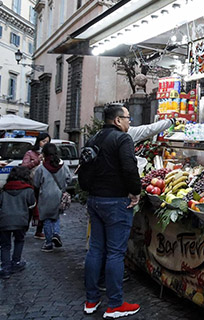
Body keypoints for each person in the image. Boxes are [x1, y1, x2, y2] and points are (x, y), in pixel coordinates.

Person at [78, 105, 141, 318]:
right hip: (116, 202)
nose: (129, 122)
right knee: (115, 253)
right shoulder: (123, 139)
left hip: (95, 200)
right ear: (117, 121)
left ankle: (91, 300)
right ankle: (115, 304)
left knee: (95, 251)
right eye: (127, 118)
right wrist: (135, 192)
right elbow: (130, 168)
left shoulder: (93, 138)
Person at [0, 166, 36, 279]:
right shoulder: (29, 190)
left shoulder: (4, 190)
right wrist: (28, 222)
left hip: (4, 221)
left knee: (5, 245)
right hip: (21, 221)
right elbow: (32, 207)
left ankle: (5, 268)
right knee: (19, 241)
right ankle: (16, 262)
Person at [34, 142, 72, 252]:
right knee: (56, 216)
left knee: (46, 219)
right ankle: (56, 233)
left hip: (45, 195)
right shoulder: (63, 165)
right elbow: (69, 179)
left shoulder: (41, 168)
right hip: (59, 194)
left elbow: (36, 183)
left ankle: (49, 242)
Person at [22, 132, 51, 239]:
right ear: (38, 141)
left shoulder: (48, 154)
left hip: (44, 185)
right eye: (43, 141)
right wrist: (37, 161)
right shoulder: (30, 153)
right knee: (30, 207)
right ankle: (23, 228)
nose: (45, 144)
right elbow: (24, 166)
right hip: (31, 184)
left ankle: (39, 230)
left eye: (47, 142)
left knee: (42, 208)